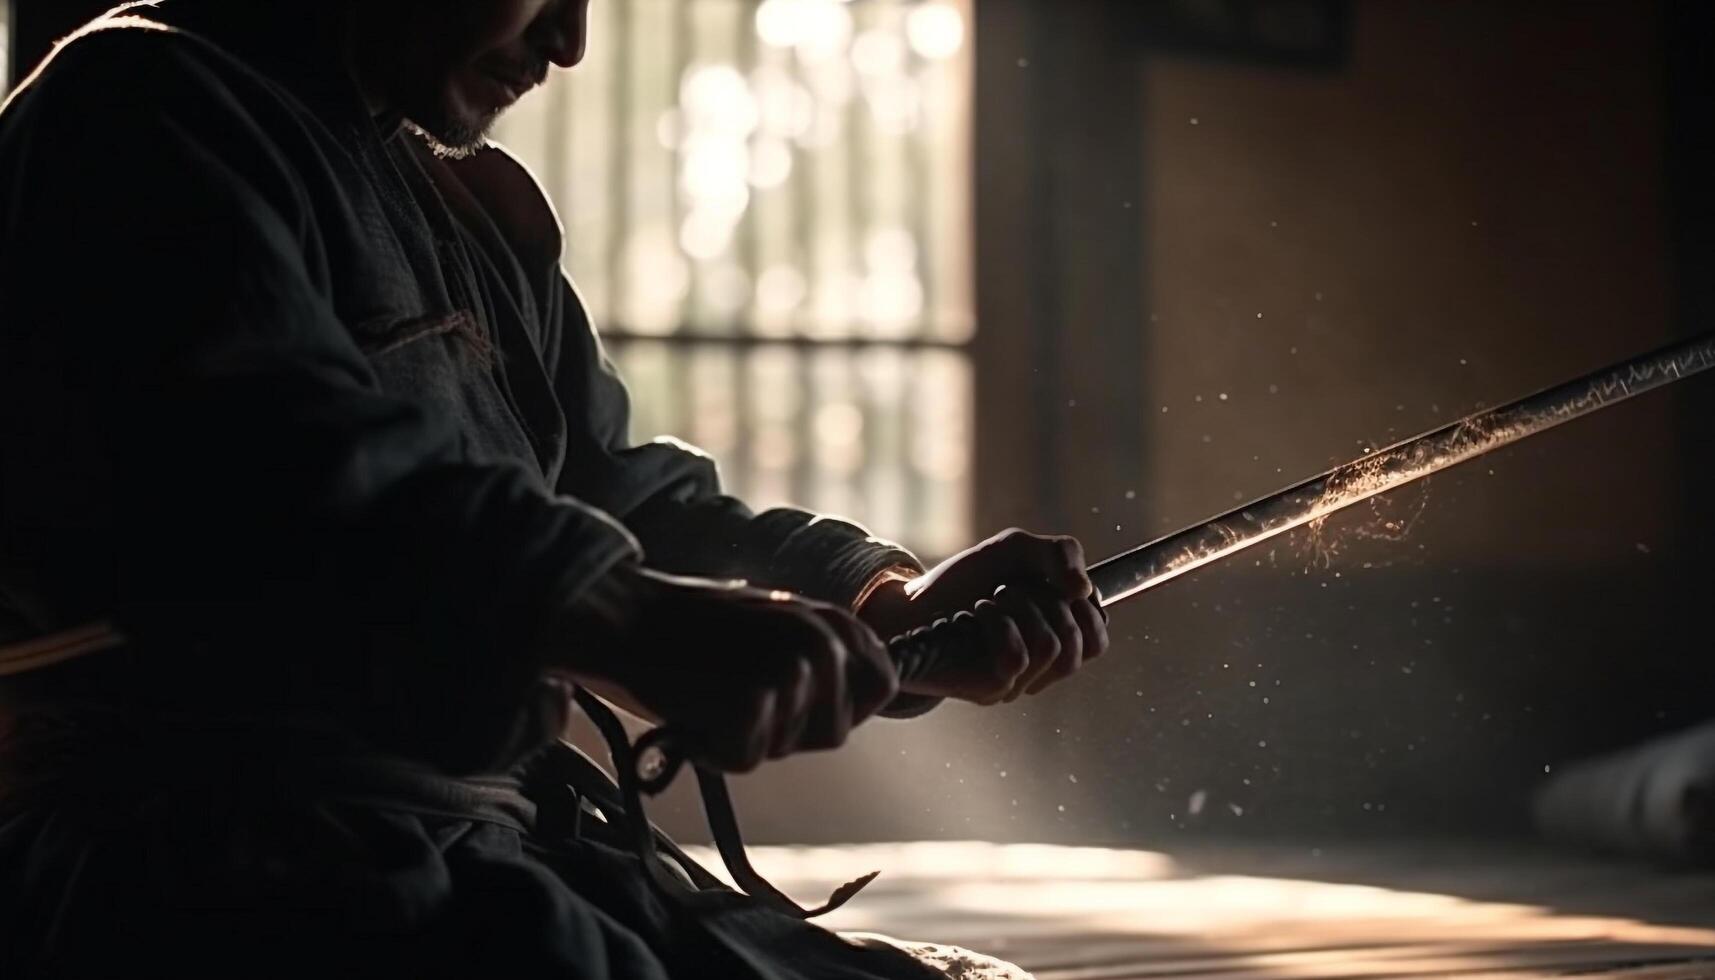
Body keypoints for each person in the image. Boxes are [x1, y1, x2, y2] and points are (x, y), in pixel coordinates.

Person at [0, 1, 1109, 976]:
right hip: (218, 857)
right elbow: (290, 469)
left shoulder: (463, 207)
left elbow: (616, 494)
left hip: (482, 845)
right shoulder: (143, 111)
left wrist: (883, 600)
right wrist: (625, 617)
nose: (570, 42)